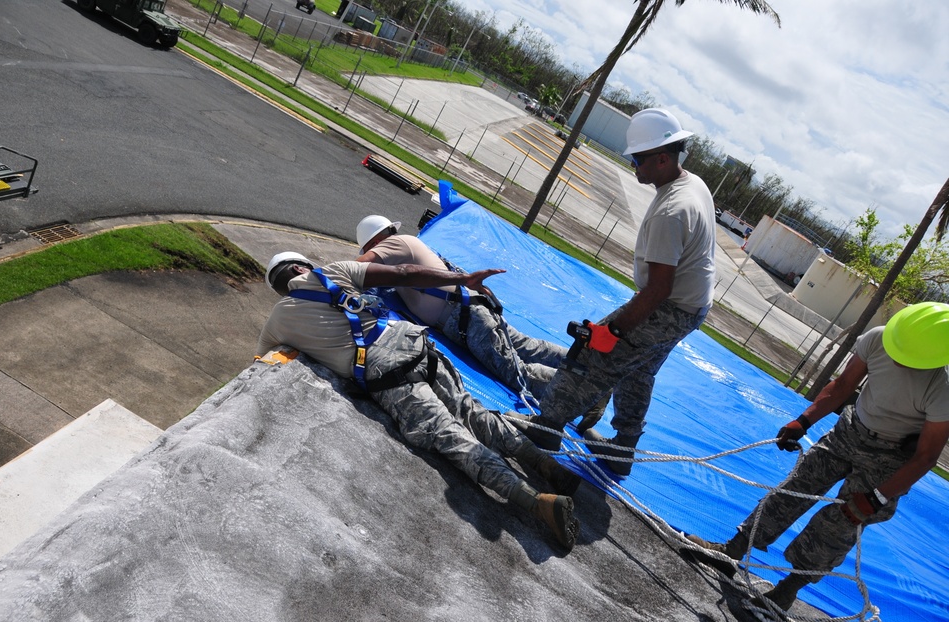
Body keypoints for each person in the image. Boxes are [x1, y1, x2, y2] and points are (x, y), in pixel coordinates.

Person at [256, 251, 582, 550]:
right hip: (413, 343)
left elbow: (260, 364)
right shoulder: (334, 271)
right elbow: (404, 272)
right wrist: (460, 280)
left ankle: (537, 502)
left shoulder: (278, 321)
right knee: (470, 410)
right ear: (301, 267)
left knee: (452, 437)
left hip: (385, 373)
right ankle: (544, 463)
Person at [687, 302, 949, 611]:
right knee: (793, 489)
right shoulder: (878, 339)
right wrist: (804, 420)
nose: (899, 357)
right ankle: (731, 552)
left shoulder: (942, 387)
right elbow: (842, 386)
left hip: (888, 459)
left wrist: (877, 497)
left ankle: (786, 591)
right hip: (850, 432)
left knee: (840, 522)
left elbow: (925, 457)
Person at [511, 108, 716, 476]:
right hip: (691, 307)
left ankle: (546, 426)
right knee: (640, 371)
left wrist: (613, 332)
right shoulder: (691, 183)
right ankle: (622, 452)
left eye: (638, 159)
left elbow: (657, 289)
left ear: (663, 158)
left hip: (669, 304)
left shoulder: (672, 210)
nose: (634, 165)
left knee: (591, 355)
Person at [354, 215, 568, 401]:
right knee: (526, 346)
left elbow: (358, 268)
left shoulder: (393, 243)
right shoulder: (405, 246)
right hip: (470, 308)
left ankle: (579, 391)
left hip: (465, 318)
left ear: (376, 241)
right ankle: (583, 359)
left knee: (518, 374)